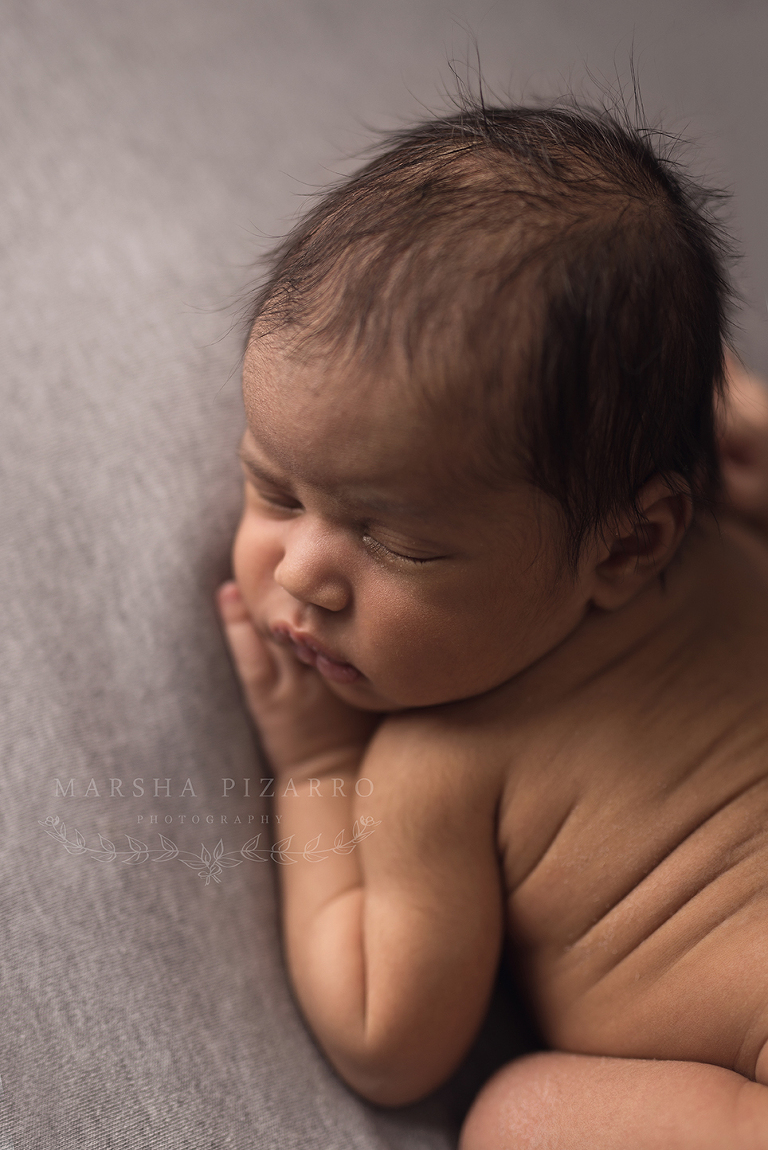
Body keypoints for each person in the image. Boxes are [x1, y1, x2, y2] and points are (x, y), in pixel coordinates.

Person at [215, 99, 768, 1148]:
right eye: (274, 490)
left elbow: (387, 1039)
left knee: (517, 1118)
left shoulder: (435, 769)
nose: (303, 575)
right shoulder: (735, 542)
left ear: (628, 546)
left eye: (401, 545)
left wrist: (318, 770)